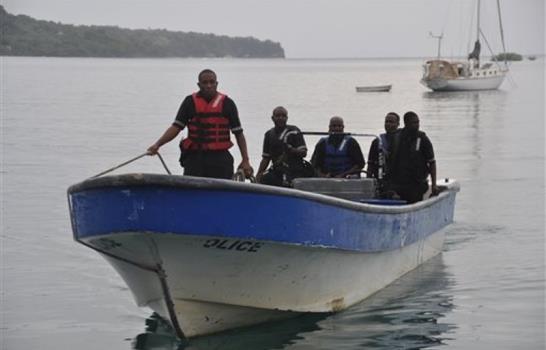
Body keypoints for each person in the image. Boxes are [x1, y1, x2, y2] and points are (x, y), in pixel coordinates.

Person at [147, 69, 253, 179]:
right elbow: (176, 127)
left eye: (212, 82)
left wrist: (245, 160)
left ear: (217, 84)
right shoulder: (189, 102)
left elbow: (238, 134)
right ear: (199, 84)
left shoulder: (228, 103)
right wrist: (157, 144)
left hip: (220, 158)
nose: (209, 86)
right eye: (205, 83)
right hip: (195, 157)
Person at [256, 106, 312, 186]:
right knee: (264, 179)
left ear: (287, 118)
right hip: (277, 171)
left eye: (283, 116)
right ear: (273, 118)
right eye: (278, 116)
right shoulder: (269, 134)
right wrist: (259, 174)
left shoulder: (294, 131)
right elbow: (266, 158)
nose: (281, 118)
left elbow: (304, 153)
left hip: (295, 170)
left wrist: (291, 150)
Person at [390, 111, 438, 203]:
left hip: (417, 184)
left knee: (415, 197)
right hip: (398, 184)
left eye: (418, 122)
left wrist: (434, 184)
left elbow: (432, 162)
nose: (417, 125)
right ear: (406, 123)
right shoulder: (396, 138)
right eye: (414, 123)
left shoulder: (422, 139)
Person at [366, 112, 401, 180]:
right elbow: (370, 163)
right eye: (386, 122)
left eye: (391, 122)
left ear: (398, 124)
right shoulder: (377, 141)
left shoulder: (403, 140)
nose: (388, 124)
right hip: (381, 176)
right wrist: (368, 178)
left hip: (398, 178)